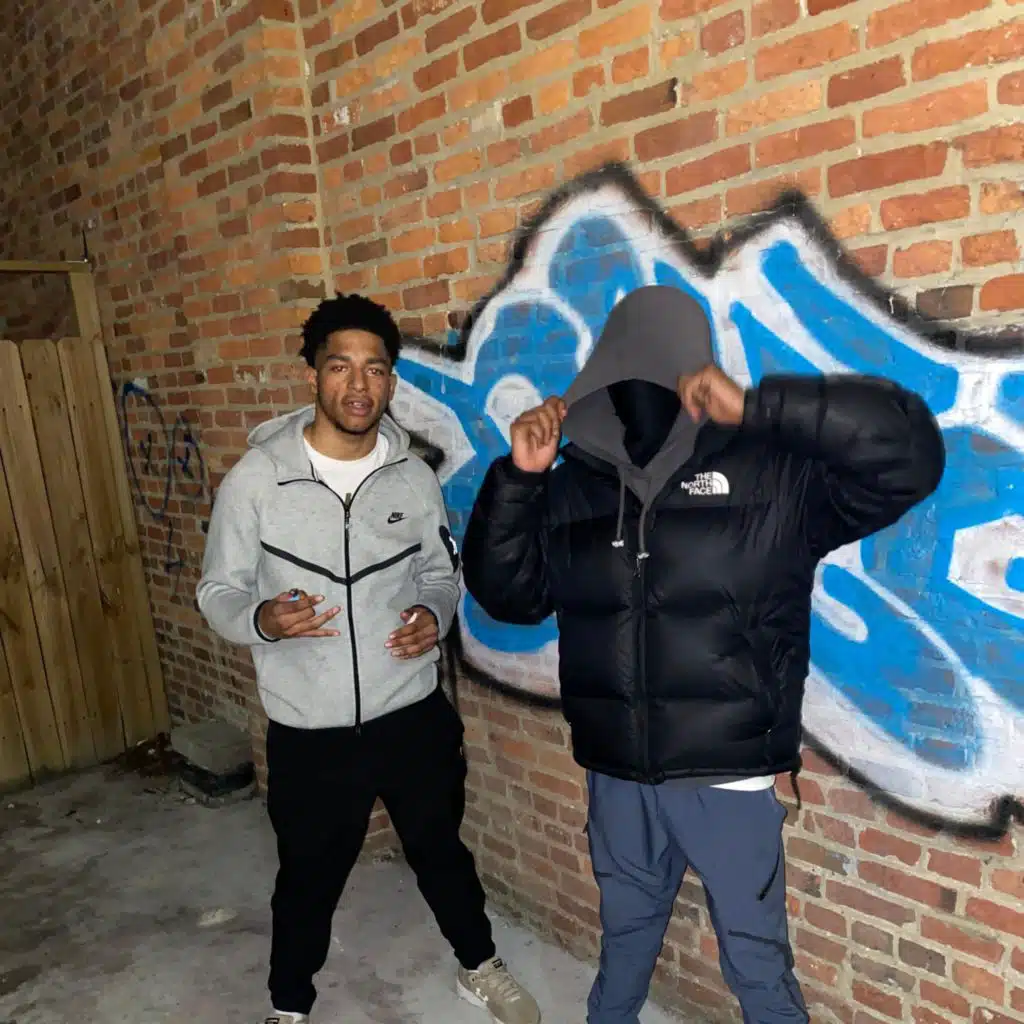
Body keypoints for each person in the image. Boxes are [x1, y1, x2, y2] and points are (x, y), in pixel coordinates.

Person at [461, 285, 945, 1024]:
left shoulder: (772, 472)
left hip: (729, 773)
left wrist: (759, 408)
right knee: (625, 940)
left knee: (756, 960)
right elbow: (508, 596)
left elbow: (910, 456)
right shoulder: (572, 486)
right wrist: (520, 479)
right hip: (616, 771)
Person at [197, 293, 541, 1024]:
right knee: (306, 879)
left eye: (375, 369)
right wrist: (261, 619)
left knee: (442, 852)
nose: (359, 385)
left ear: (390, 381)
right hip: (309, 729)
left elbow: (440, 573)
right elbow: (217, 591)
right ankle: (290, 1006)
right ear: (313, 375)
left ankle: (478, 966)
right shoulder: (257, 480)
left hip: (411, 714)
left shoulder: (411, 477)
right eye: (340, 366)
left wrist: (434, 616)